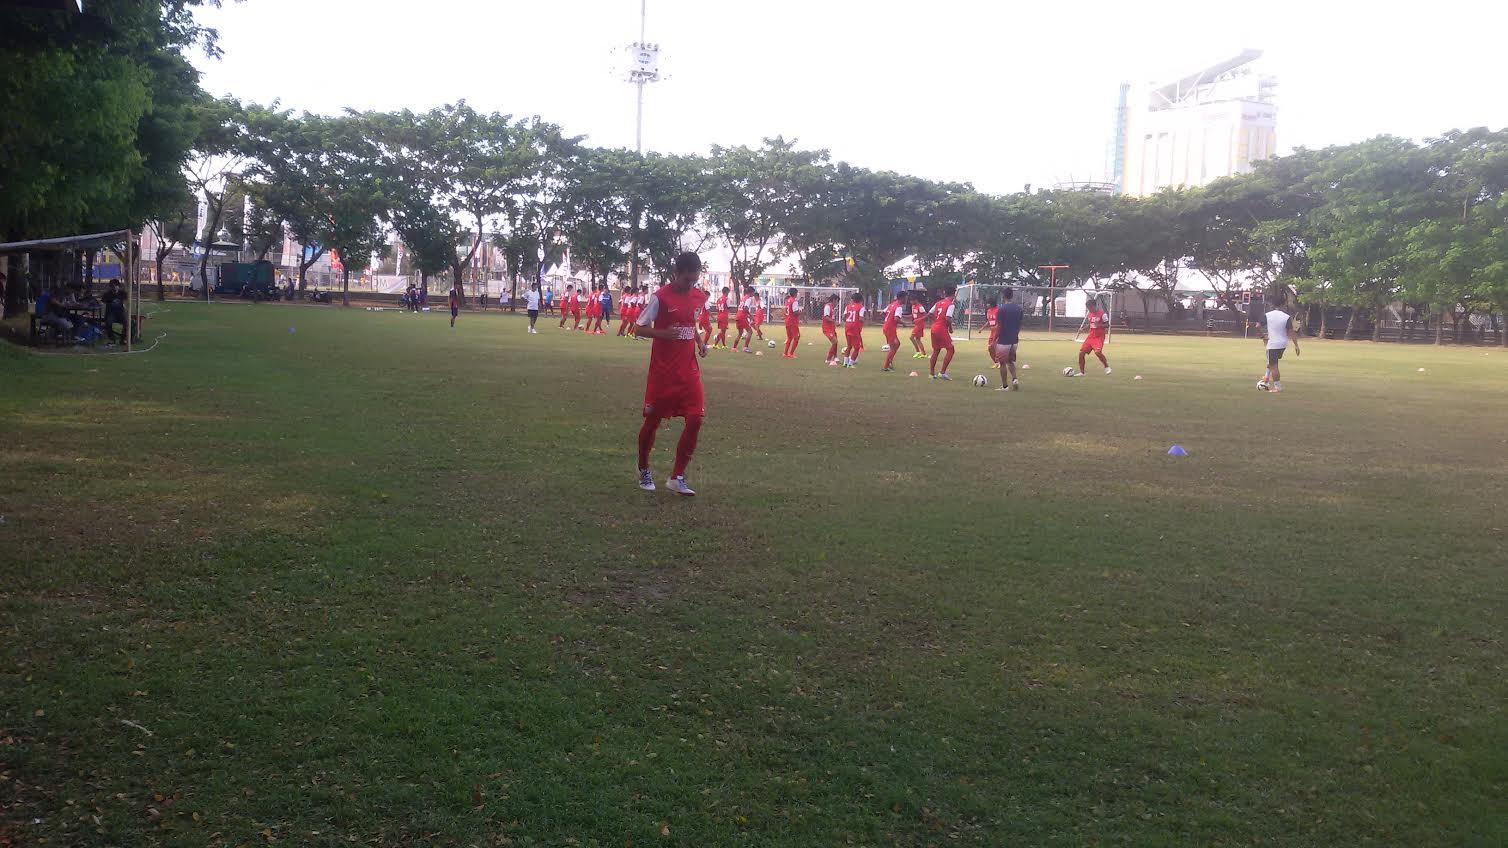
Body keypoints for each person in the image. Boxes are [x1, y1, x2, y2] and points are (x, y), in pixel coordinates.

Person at [634, 252, 710, 497]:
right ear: (676, 274)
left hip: (689, 370)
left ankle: (677, 477)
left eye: (694, 280)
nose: (691, 284)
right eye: (687, 279)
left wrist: (699, 342)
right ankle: (644, 469)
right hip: (663, 373)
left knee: (696, 419)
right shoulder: (661, 298)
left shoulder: (698, 297)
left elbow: (691, 323)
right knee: (652, 421)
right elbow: (638, 327)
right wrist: (663, 334)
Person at [1259, 297, 1300, 392]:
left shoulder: (1267, 315)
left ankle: (1277, 387)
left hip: (1273, 343)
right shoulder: (1286, 317)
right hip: (1283, 344)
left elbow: (1258, 326)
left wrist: (1263, 336)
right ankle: (1266, 378)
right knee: (1272, 361)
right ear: (1283, 305)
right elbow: (1291, 332)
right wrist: (1296, 345)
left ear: (1272, 305)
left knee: (1274, 366)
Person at [992, 288, 1025, 390]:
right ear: (1012, 296)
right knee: (1010, 361)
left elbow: (999, 326)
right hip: (1014, 339)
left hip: (1004, 340)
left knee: (1002, 362)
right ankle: (1015, 379)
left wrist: (994, 339)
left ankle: (1005, 386)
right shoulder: (1019, 309)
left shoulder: (1001, 309)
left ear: (1003, 296)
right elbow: (1019, 325)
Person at [1072, 297, 1111, 376]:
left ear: (1095, 306)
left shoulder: (1102, 314)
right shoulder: (1089, 314)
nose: (1089, 310)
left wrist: (1099, 325)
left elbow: (1108, 325)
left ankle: (1107, 367)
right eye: (1088, 308)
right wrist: (1083, 329)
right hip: (1090, 337)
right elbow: (1090, 324)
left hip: (1099, 337)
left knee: (1098, 352)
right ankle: (1082, 372)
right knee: (1081, 353)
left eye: (1090, 308)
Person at [928, 285, 957, 380]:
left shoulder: (938, 303)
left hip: (934, 328)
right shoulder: (950, 304)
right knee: (951, 349)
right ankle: (942, 372)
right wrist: (950, 328)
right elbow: (948, 318)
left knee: (936, 350)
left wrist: (936, 321)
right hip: (941, 329)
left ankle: (932, 374)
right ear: (954, 294)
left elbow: (930, 313)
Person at [880, 292, 907, 371]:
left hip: (887, 327)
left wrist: (887, 319)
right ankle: (886, 366)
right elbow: (896, 319)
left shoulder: (891, 304)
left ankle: (890, 361)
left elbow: (882, 313)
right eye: (905, 297)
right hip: (890, 328)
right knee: (893, 347)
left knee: (897, 344)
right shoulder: (898, 307)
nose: (906, 299)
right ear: (902, 298)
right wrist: (904, 323)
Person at [841, 292, 866, 367]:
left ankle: (845, 363)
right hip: (855, 327)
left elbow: (843, 317)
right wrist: (865, 321)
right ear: (861, 299)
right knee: (857, 347)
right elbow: (861, 318)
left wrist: (848, 322)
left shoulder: (847, 306)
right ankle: (850, 363)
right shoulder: (861, 307)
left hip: (847, 326)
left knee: (849, 346)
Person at [101, 279, 128, 343]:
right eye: (113, 286)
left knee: (127, 322)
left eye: (116, 286)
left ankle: (123, 339)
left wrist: (124, 305)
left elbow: (126, 301)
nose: (114, 287)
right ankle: (112, 338)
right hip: (110, 313)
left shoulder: (123, 293)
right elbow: (102, 302)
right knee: (108, 323)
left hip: (120, 313)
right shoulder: (107, 294)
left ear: (118, 286)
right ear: (110, 287)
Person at [734, 286, 758, 353]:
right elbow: (745, 308)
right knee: (750, 331)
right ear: (751, 292)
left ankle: (734, 347)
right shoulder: (749, 299)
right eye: (753, 292)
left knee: (740, 333)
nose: (753, 294)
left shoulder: (743, 298)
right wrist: (750, 316)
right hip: (742, 317)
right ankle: (745, 347)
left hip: (738, 316)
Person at [821, 294, 840, 364]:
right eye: (837, 302)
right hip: (827, 328)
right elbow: (826, 317)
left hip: (831, 328)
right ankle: (828, 359)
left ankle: (835, 357)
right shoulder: (827, 307)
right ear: (834, 300)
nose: (837, 304)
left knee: (836, 342)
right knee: (834, 341)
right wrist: (834, 322)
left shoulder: (832, 307)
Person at [782, 287, 801, 358]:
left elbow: (786, 310)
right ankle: (791, 353)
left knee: (789, 337)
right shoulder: (794, 301)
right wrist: (801, 312)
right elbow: (795, 311)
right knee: (797, 337)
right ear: (795, 293)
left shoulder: (788, 300)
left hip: (787, 321)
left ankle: (785, 353)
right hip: (793, 322)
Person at [908, 295, 929, 359]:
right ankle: (923, 353)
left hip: (920, 325)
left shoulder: (920, 307)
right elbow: (913, 315)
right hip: (916, 325)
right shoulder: (913, 306)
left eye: (912, 300)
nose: (911, 302)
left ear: (916, 300)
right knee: (917, 339)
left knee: (911, 337)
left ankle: (918, 352)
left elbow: (926, 316)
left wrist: (918, 320)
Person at [984, 298, 1000, 368]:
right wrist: (982, 328)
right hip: (992, 333)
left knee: (996, 348)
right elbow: (989, 321)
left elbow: (1000, 322)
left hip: (998, 333)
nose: (986, 305)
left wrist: (996, 327)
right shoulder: (988, 311)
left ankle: (1001, 362)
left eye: (988, 303)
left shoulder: (998, 310)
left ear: (992, 304)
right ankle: (996, 362)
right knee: (990, 349)